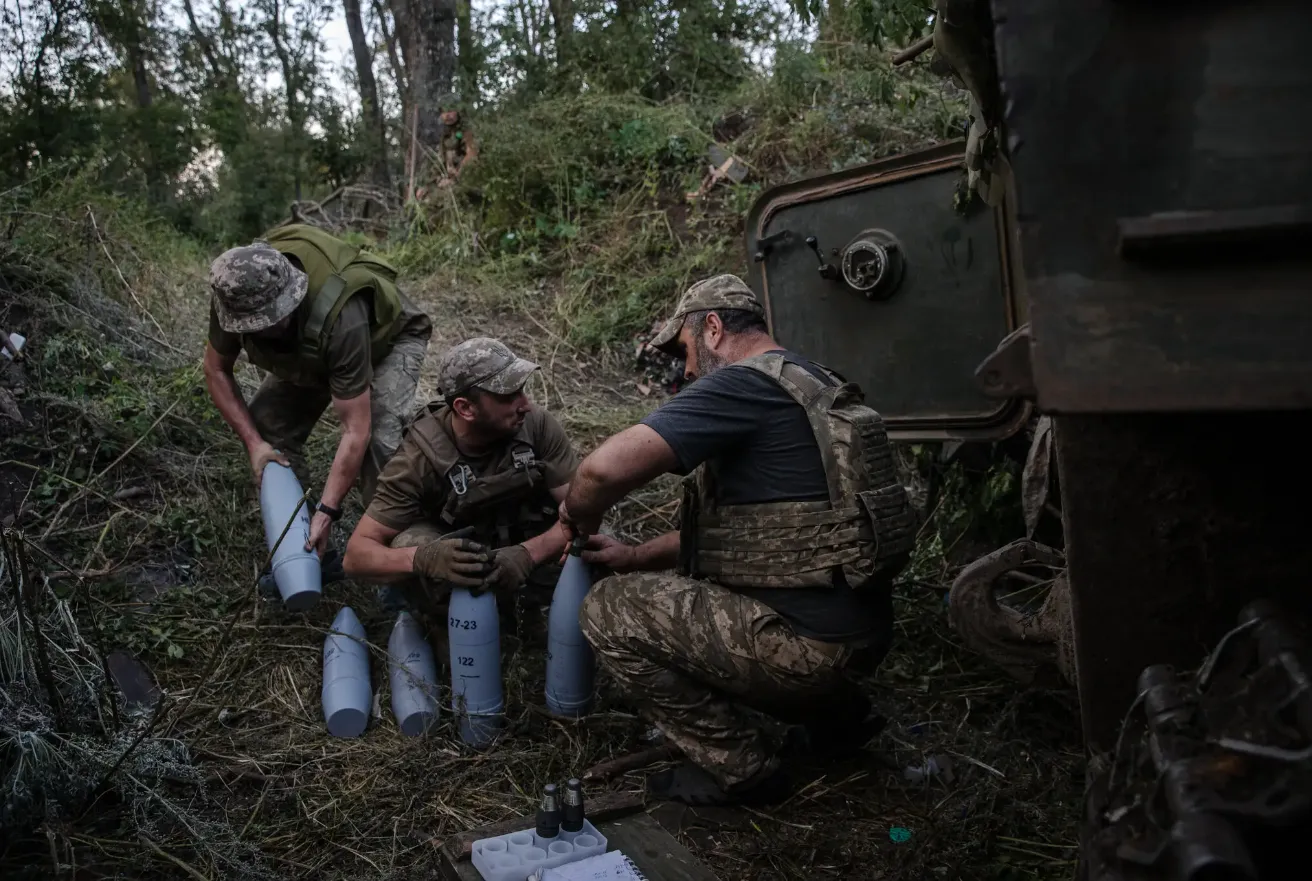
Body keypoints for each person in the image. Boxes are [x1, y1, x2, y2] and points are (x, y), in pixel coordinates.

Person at [556, 275, 917, 806]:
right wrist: (633, 555)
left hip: (805, 652)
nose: (689, 369)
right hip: (858, 639)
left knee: (610, 610)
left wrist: (577, 518)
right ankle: (834, 716)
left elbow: (601, 472)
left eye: (686, 350)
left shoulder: (739, 385)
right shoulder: (813, 383)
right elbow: (761, 537)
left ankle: (743, 769)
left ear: (714, 328)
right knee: (694, 593)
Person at [203, 223, 433, 564]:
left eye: (269, 320)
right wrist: (255, 445)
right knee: (268, 427)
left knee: (379, 442)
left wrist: (329, 509)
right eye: (252, 326)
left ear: (288, 299)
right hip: (315, 351)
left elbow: (356, 430)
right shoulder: (233, 296)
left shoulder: (342, 316)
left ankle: (396, 557)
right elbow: (216, 369)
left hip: (388, 339)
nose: (261, 329)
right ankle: (303, 550)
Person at [342, 338, 580, 623]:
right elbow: (356, 557)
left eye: (522, 390)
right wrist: (424, 559)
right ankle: (449, 625)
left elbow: (582, 509)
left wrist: (528, 554)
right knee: (408, 541)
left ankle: (536, 610)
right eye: (507, 396)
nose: (525, 405)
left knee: (597, 537)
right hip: (460, 559)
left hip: (524, 539)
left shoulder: (537, 427)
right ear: (465, 408)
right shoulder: (417, 461)